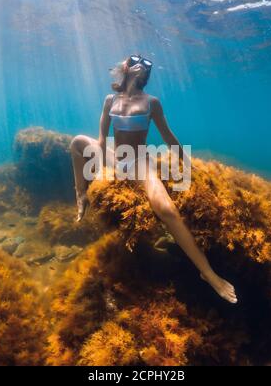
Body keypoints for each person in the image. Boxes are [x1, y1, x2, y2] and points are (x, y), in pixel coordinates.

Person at [70, 54, 238, 304]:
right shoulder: (110, 100)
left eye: (148, 65)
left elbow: (169, 137)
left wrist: (188, 164)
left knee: (166, 209)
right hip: (116, 158)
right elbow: (102, 140)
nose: (144, 66)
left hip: (139, 163)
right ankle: (80, 195)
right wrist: (101, 167)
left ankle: (207, 273)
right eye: (137, 60)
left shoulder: (152, 103)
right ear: (126, 67)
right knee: (77, 143)